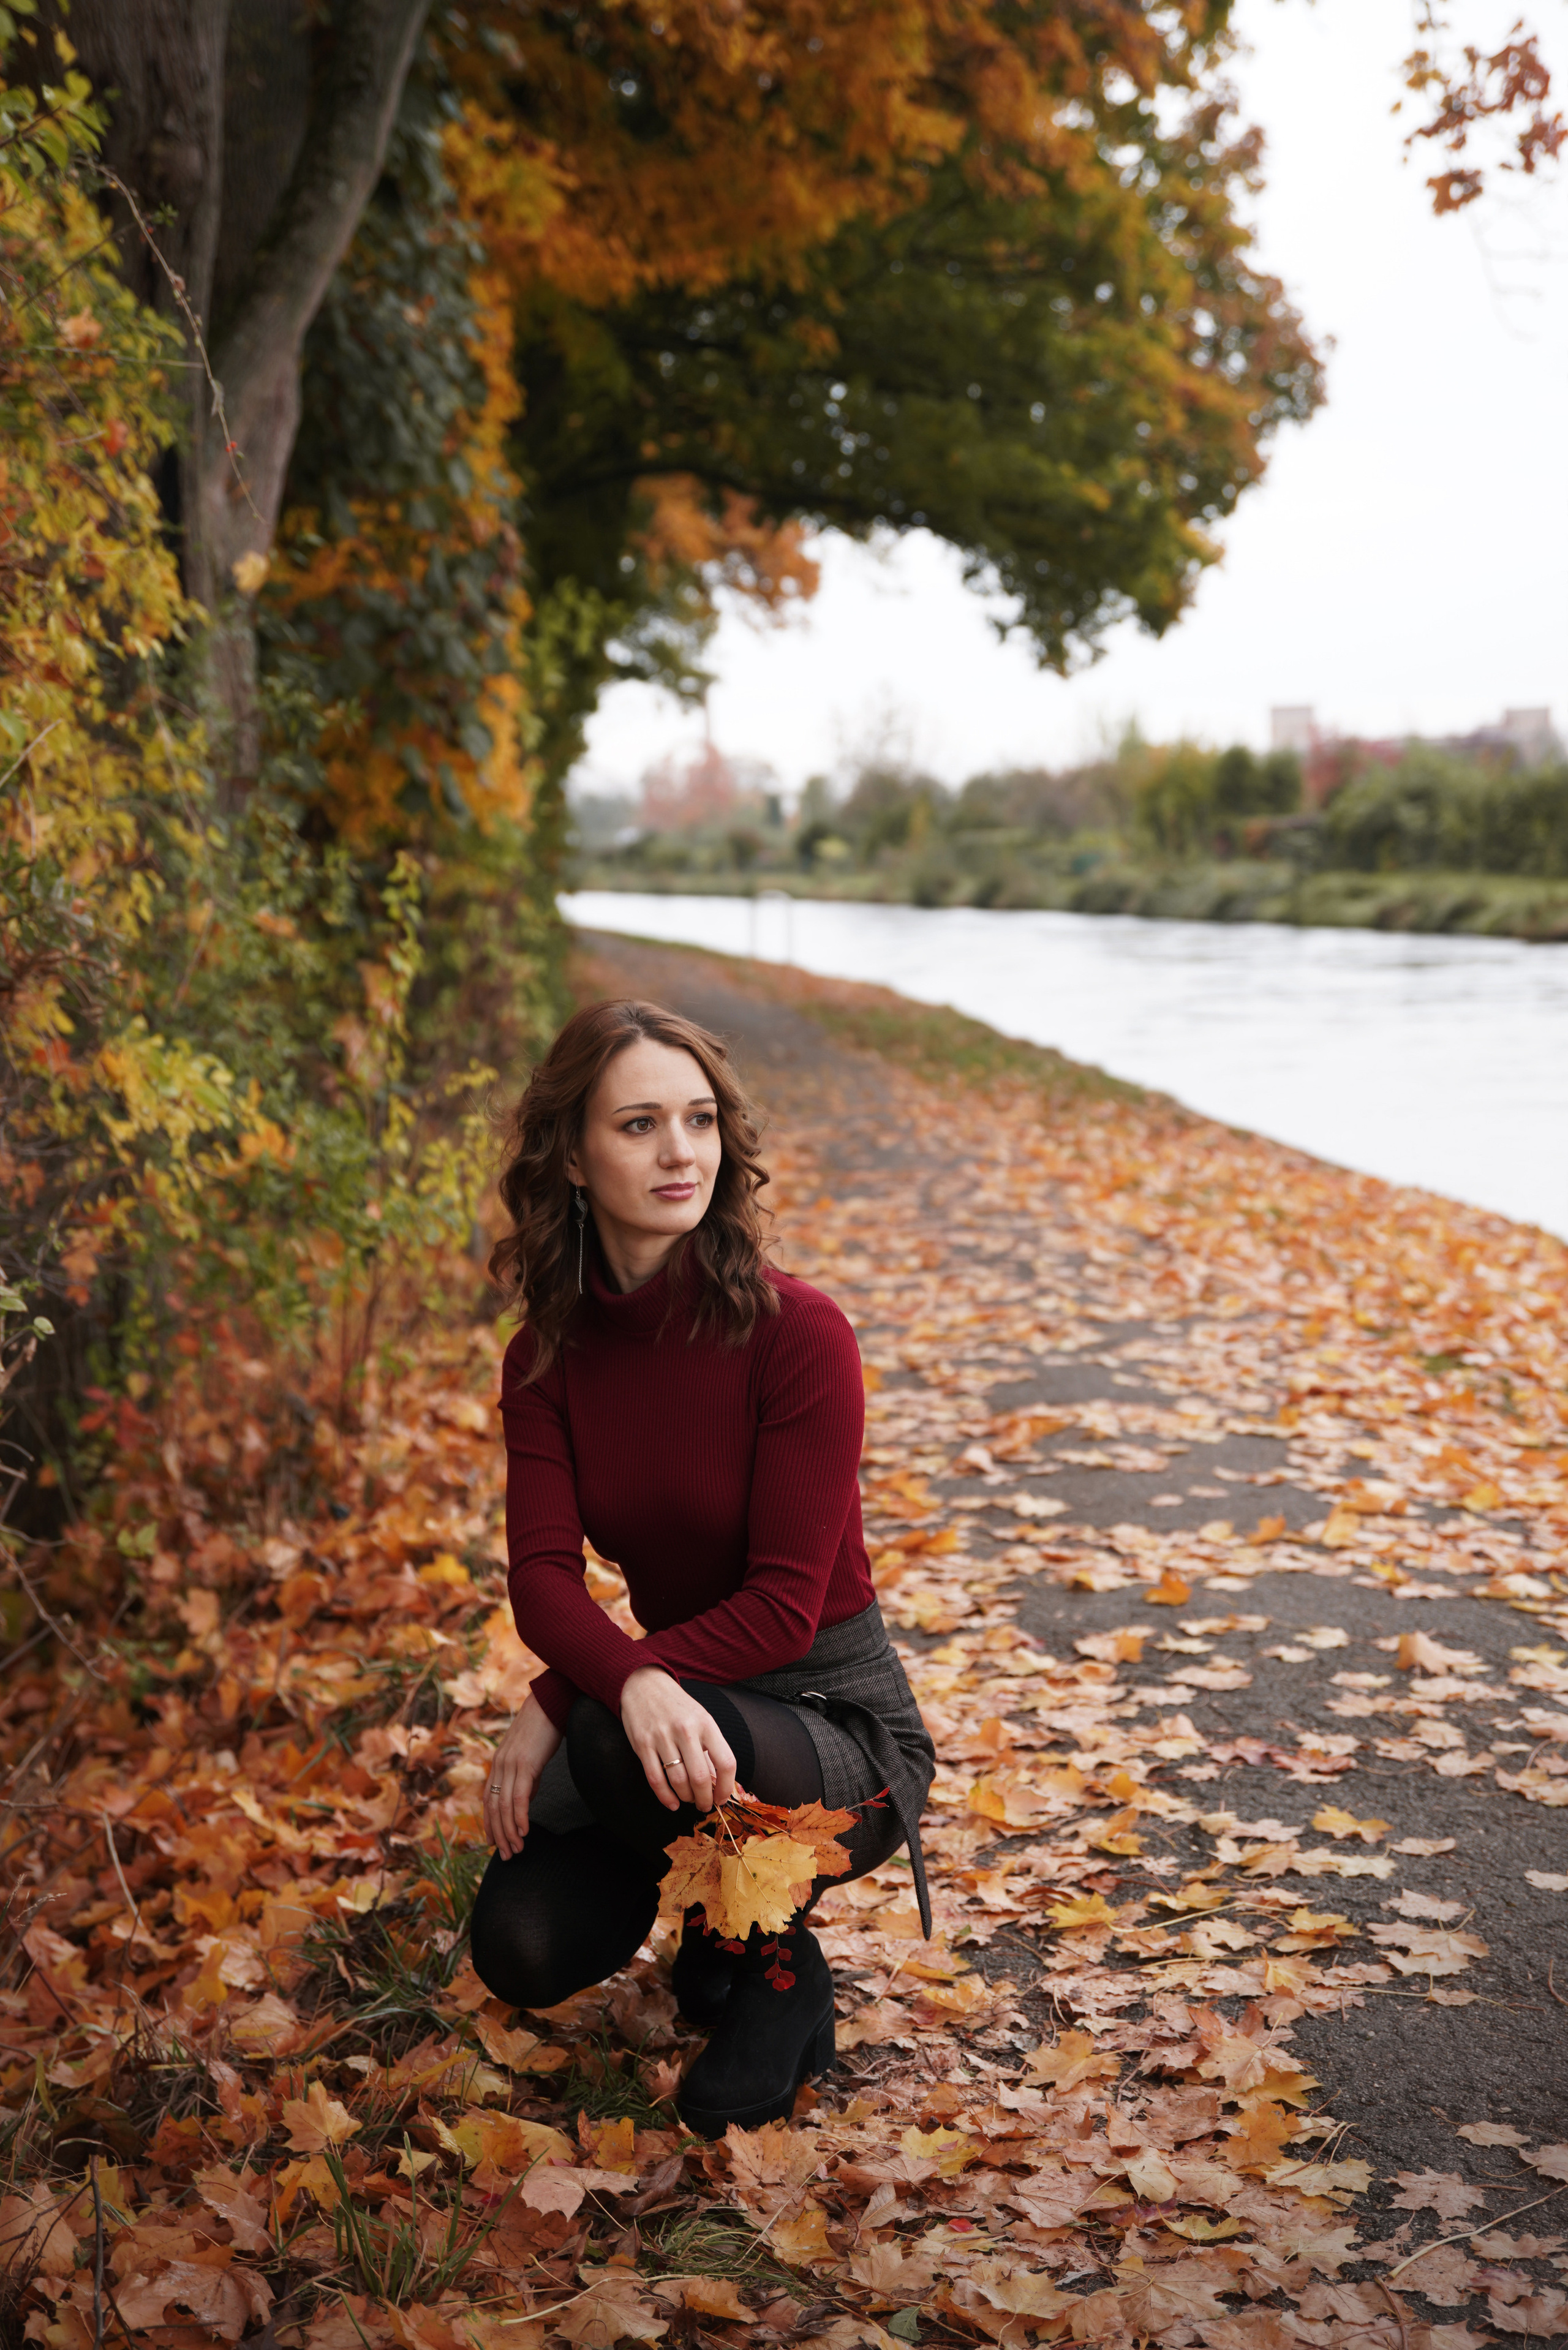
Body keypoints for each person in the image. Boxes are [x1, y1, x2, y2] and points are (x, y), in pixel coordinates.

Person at [468, 997, 935, 2136]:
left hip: (832, 1719)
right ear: (572, 1156)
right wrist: (612, 1677)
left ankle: (776, 1962)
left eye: (698, 1120)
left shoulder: (798, 1333)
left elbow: (782, 1608)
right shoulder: (546, 1358)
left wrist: (573, 1686)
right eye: (638, 1125)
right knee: (521, 1947)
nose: (681, 1151)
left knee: (608, 1726)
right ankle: (714, 1919)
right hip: (682, 1707)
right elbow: (541, 1576)